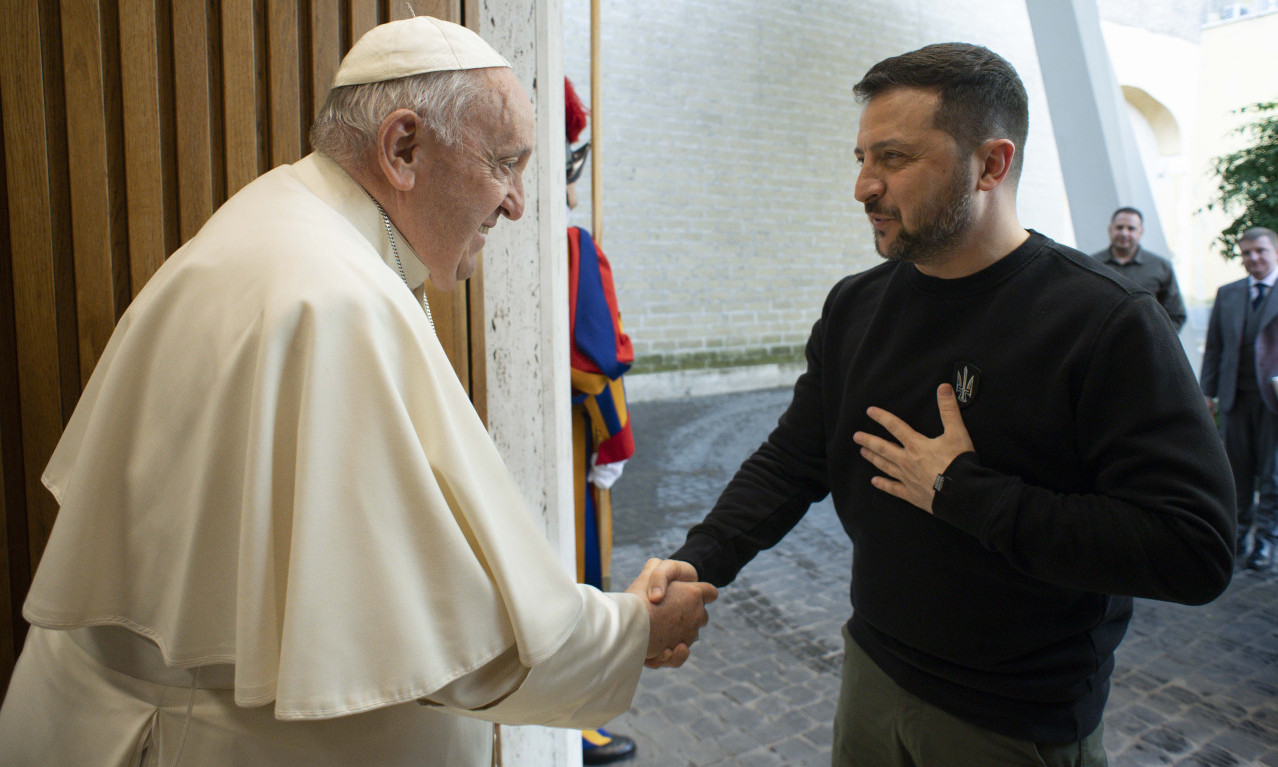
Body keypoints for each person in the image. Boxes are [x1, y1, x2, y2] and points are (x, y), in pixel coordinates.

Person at [0, 17, 717, 766]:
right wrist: (634, 631)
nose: (516, 205)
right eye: (506, 164)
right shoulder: (335, 298)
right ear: (402, 148)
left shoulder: (281, 218)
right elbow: (447, 638)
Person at [645, 43, 1234, 766]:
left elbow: (1195, 549)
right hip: (871, 671)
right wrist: (697, 561)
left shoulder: (1105, 322)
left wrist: (964, 491)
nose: (863, 187)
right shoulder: (857, 305)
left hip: (1016, 717)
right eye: (860, 157)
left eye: (893, 159)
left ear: (990, 164)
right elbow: (792, 460)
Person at [565, 75, 639, 765]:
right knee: (583, 567)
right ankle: (582, 721)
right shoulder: (572, 245)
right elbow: (597, 357)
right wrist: (616, 436)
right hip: (571, 435)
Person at [1201, 227, 1278, 571]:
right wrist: (1207, 392)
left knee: (1272, 473)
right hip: (1235, 397)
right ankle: (1236, 534)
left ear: (1274, 251)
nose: (1253, 259)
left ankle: (1265, 540)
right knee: (1236, 472)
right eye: (1246, 253)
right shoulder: (1228, 293)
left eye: (1260, 251)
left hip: (1273, 401)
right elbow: (1215, 348)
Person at [1090, 206, 1187, 331]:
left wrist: (1155, 340)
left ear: (1141, 232)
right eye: (1119, 227)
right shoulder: (1092, 264)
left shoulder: (1161, 267)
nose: (1124, 233)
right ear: (1110, 229)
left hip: (1145, 347)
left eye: (1131, 228)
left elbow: (1176, 315)